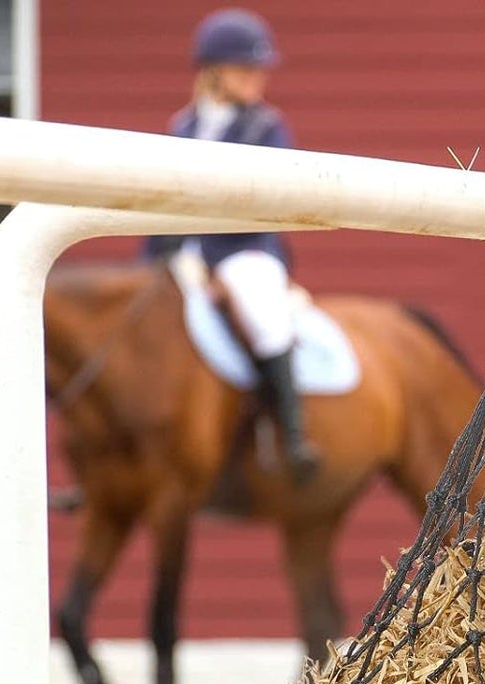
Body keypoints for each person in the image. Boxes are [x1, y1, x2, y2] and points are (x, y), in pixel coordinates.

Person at [148, 9, 319, 483]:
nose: (257, 78)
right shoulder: (181, 125)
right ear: (213, 72)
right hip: (187, 254)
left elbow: (274, 199)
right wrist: (155, 258)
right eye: (246, 68)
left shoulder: (266, 128)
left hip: (246, 250)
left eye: (259, 68)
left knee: (263, 314)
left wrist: (217, 268)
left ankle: (294, 435)